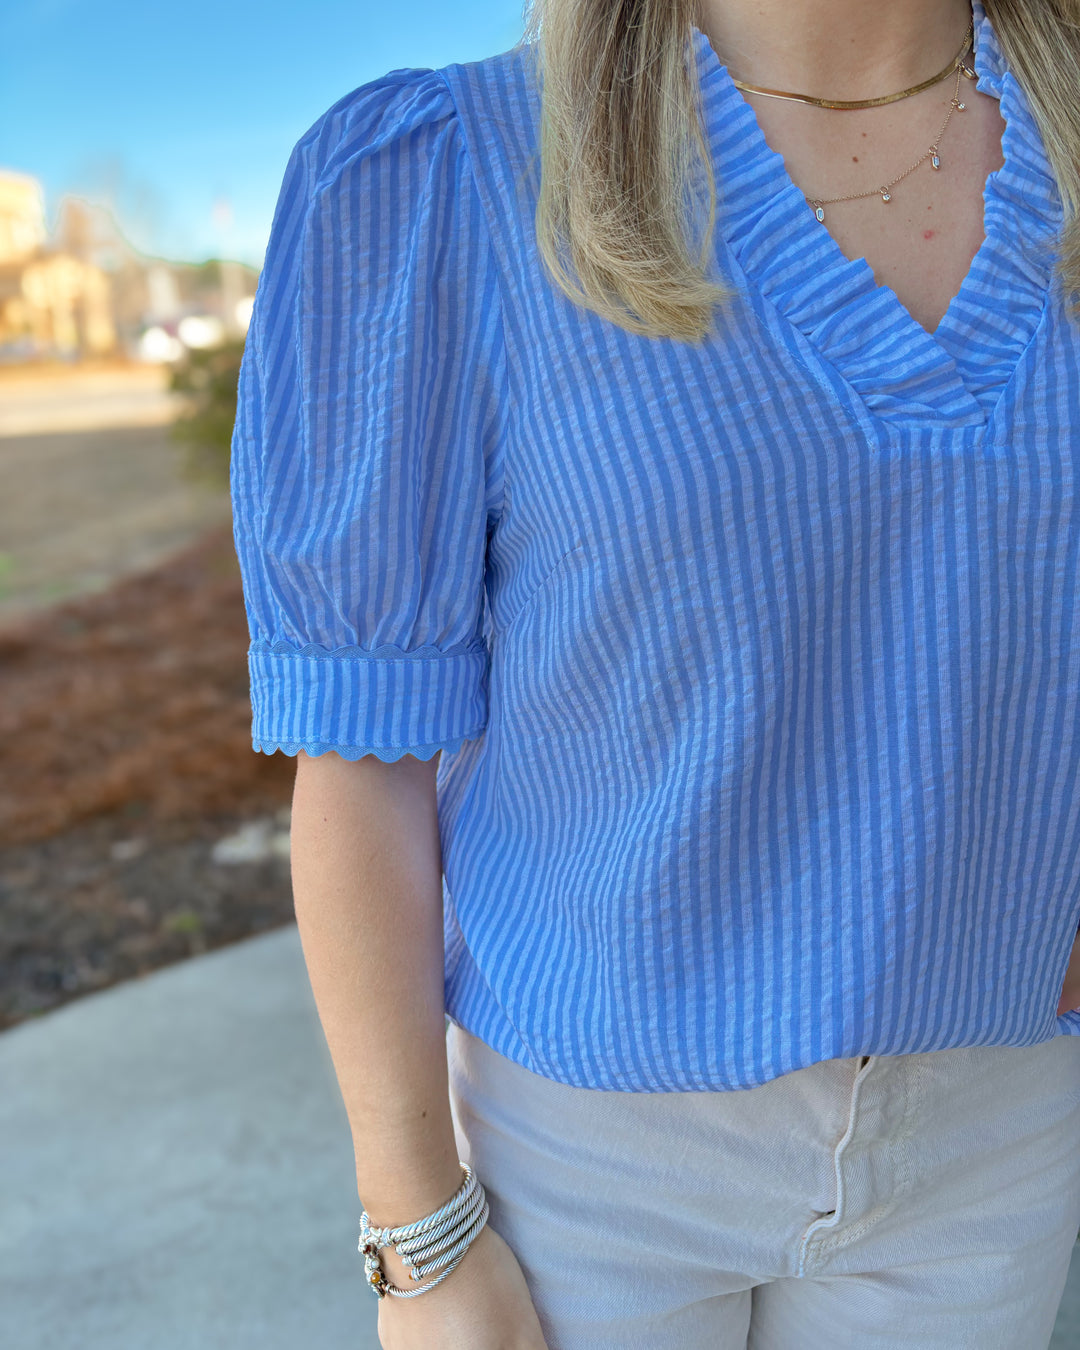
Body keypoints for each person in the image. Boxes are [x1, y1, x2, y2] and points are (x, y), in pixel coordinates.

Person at [229, 0, 1080, 1344]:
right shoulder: (443, 174)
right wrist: (419, 1236)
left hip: (1001, 1137)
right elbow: (364, 761)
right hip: (584, 1167)